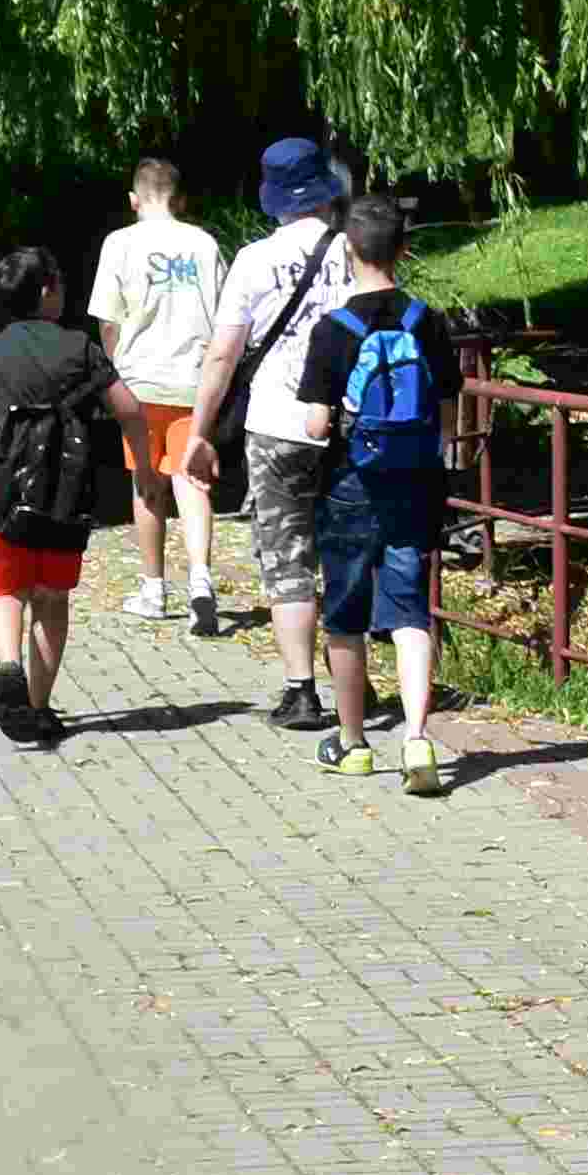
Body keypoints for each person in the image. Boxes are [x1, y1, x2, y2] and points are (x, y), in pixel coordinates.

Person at [282, 194, 462, 795]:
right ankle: (417, 738)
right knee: (410, 610)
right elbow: (447, 406)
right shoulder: (427, 320)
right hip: (414, 480)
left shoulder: (334, 330)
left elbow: (314, 424)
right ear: (403, 250)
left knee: (346, 613)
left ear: (347, 252)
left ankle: (354, 744)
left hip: (351, 483)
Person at [192, 137, 362, 733]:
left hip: (277, 425)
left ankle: (301, 692)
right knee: (344, 550)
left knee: (288, 556)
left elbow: (222, 357)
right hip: (350, 421)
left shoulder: (254, 260)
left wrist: (200, 430)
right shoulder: (355, 252)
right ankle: (353, 689)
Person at [0, 245, 134, 748]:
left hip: (3, 491)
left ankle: (8, 666)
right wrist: (145, 468)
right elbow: (128, 410)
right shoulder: (81, 348)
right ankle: (39, 707)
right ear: (47, 289)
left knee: (5, 590)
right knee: (51, 600)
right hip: (66, 493)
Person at [86, 154, 228, 631]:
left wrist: (112, 373)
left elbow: (108, 321)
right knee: (192, 480)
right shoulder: (205, 245)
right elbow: (225, 320)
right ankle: (202, 581)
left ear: (134, 200)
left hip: (139, 380)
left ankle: (153, 588)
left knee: (147, 484)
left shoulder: (120, 244)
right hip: (194, 378)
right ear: (180, 198)